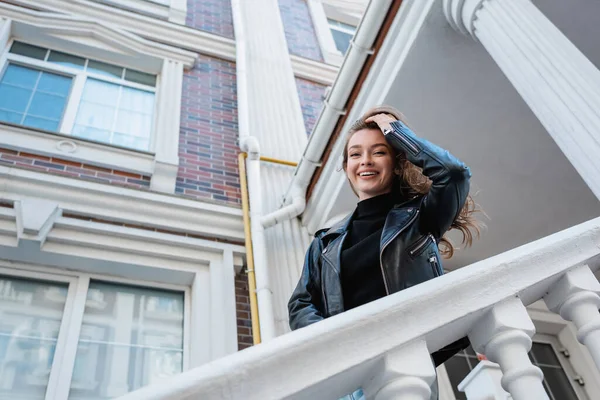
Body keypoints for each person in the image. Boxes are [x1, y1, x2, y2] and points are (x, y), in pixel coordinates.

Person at [288, 105, 481, 399]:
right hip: (349, 378)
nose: (365, 161)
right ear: (346, 168)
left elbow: (453, 174)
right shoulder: (326, 242)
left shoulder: (420, 217)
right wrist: (336, 342)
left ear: (397, 161)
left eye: (378, 151)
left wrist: (393, 129)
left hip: (406, 369)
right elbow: (301, 304)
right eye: (355, 154)